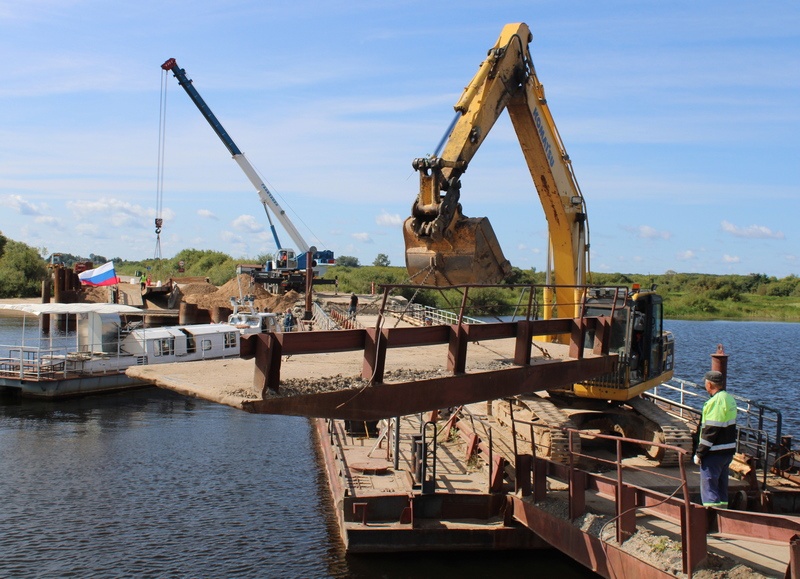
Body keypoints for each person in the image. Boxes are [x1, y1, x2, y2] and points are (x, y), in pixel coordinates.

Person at [694, 370, 738, 508]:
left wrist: (700, 453)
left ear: (709, 384)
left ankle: (711, 518)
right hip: (727, 451)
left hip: (714, 453)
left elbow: (711, 430)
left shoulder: (715, 402)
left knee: (709, 488)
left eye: (705, 383)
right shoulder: (729, 398)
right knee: (721, 487)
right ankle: (724, 515)